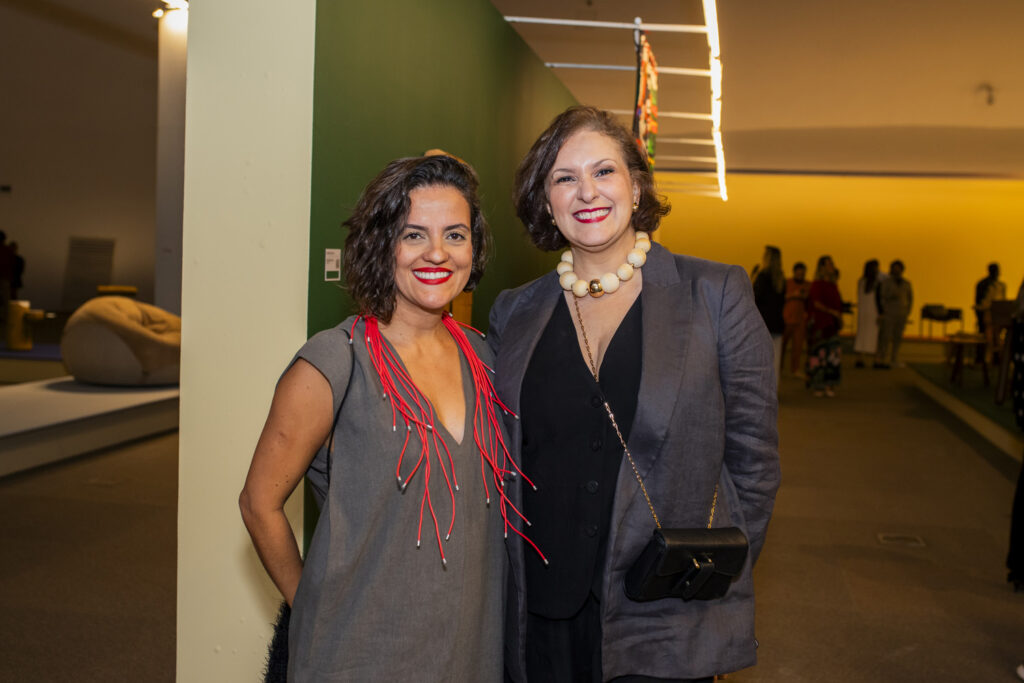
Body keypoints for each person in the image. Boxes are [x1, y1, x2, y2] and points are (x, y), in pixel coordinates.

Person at [488, 106, 780, 682]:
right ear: (545, 201)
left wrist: (715, 568)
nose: (586, 192)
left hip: (663, 610)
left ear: (637, 185)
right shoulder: (515, 312)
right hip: (542, 612)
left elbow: (754, 459)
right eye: (564, 178)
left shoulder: (714, 294)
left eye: (604, 171)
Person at [239, 155, 515, 682]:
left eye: (455, 235)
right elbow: (258, 503)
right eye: (414, 235)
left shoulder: (487, 358)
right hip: (359, 656)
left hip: (471, 652)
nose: (437, 253)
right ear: (382, 243)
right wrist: (313, 605)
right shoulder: (334, 362)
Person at [806, 255, 843, 397]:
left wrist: (838, 317)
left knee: (832, 355)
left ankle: (830, 384)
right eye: (828, 264)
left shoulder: (833, 285)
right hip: (820, 324)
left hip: (832, 325)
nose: (831, 267)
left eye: (831, 264)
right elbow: (816, 303)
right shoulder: (817, 284)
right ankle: (818, 384)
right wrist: (832, 312)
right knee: (819, 354)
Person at [752, 245, 786, 378]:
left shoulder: (762, 277)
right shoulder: (781, 279)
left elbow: (755, 298)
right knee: (775, 359)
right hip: (777, 323)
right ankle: (773, 385)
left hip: (763, 323)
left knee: (760, 358)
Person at [876, 259, 913, 369]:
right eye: (895, 268)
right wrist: (883, 310)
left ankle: (894, 358)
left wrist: (907, 312)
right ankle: (881, 358)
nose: (897, 271)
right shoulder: (886, 283)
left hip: (901, 314)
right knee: (885, 337)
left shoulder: (906, 283)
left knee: (898, 337)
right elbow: (881, 297)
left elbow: (910, 299)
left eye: (899, 268)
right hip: (889, 313)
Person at [781, 261, 811, 377]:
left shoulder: (808, 285)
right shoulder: (787, 283)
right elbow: (781, 297)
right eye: (798, 273)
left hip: (800, 321)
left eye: (802, 274)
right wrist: (793, 295)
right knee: (782, 346)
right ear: (794, 272)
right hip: (786, 319)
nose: (800, 276)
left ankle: (795, 368)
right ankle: (779, 367)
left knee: (797, 347)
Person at [853, 259, 881, 368]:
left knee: (861, 334)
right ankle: (876, 360)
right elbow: (878, 300)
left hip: (863, 312)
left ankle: (859, 358)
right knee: (875, 336)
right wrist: (881, 313)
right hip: (873, 311)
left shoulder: (861, 282)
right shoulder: (877, 283)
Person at [975, 262, 1007, 334]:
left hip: (998, 314)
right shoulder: (983, 284)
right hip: (986, 313)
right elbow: (979, 303)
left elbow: (1003, 301)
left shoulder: (1000, 286)